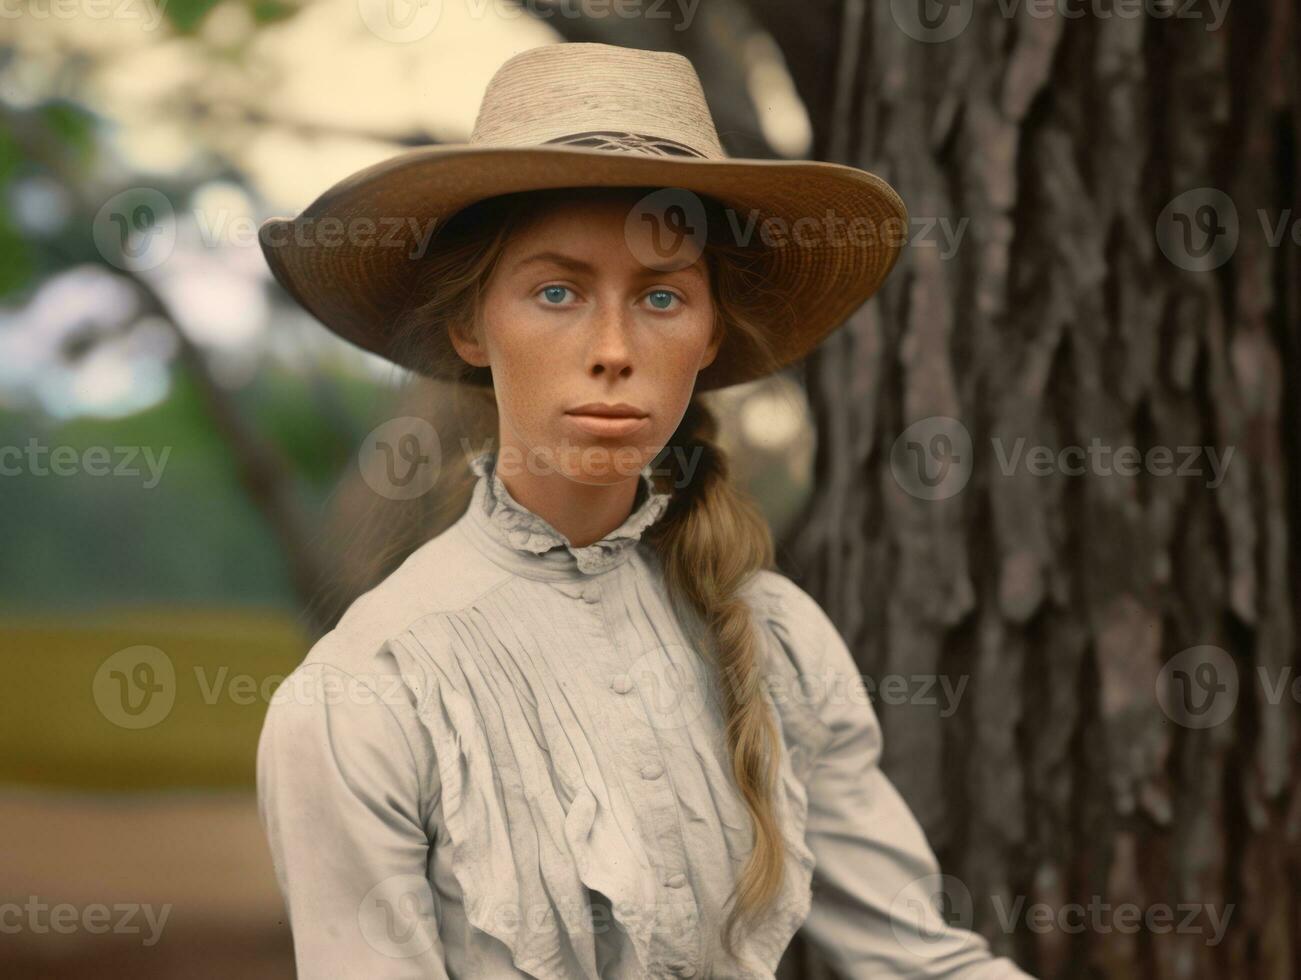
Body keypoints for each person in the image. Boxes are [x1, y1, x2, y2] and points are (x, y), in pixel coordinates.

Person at [254, 42, 1037, 979]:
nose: (614, 348)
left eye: (662, 296)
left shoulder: (774, 638)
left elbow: (923, 963)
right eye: (556, 292)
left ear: (708, 334)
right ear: (471, 325)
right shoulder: (366, 696)